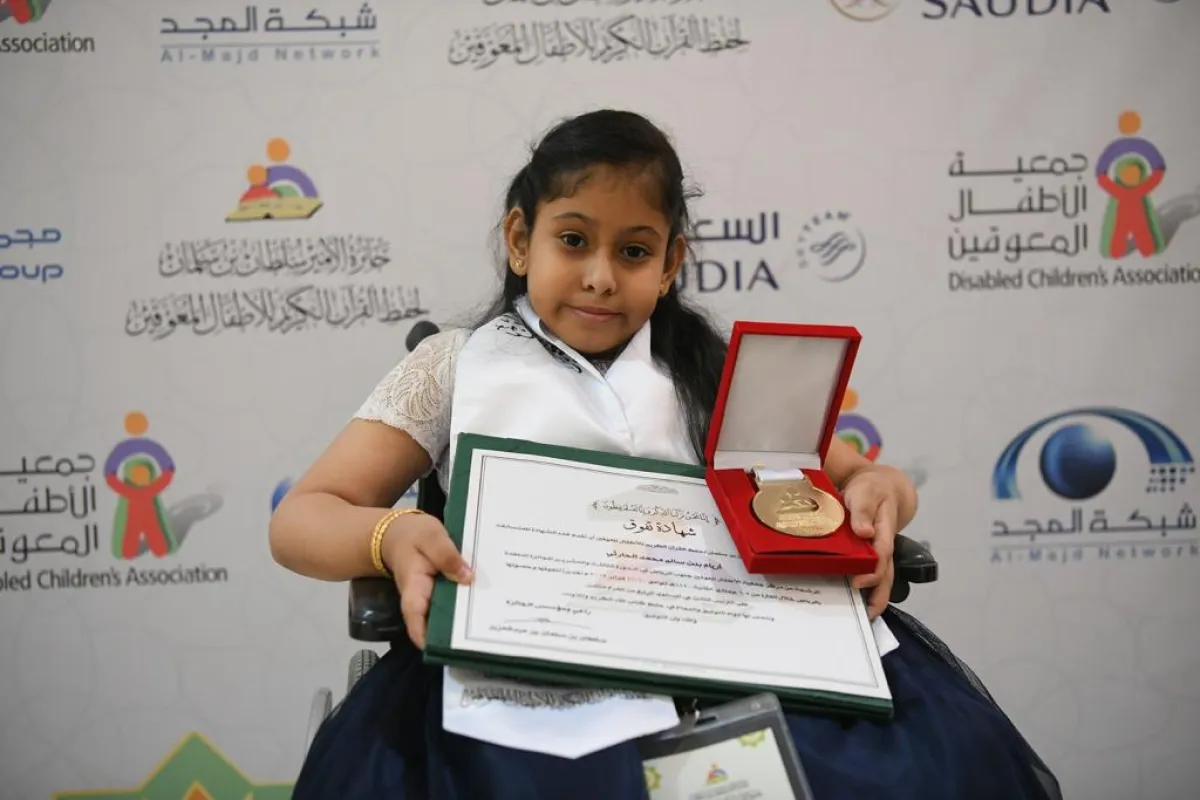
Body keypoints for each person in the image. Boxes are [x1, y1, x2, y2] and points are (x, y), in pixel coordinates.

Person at [269, 109, 1062, 800]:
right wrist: (391, 536)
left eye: (634, 252)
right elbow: (303, 518)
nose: (600, 277)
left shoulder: (711, 370)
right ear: (519, 240)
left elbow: (852, 477)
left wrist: (881, 492)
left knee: (913, 766)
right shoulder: (453, 367)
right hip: (523, 676)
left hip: (731, 666)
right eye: (573, 240)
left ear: (670, 263)